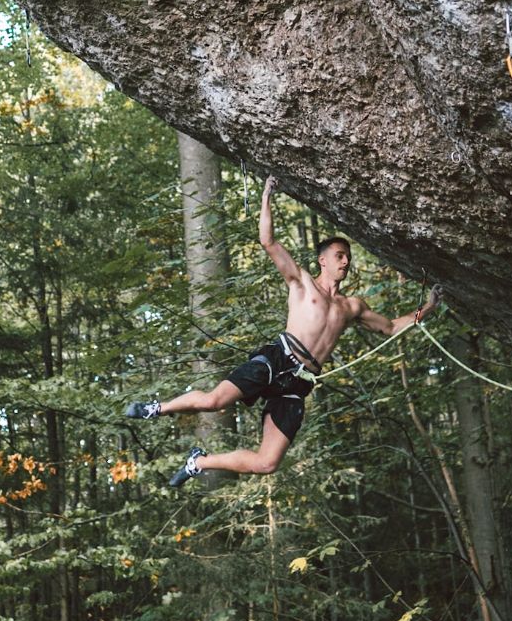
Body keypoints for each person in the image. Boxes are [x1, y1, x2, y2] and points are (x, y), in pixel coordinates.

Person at [126, 176, 442, 486]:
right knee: (215, 402)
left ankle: (199, 463)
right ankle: (155, 408)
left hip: (299, 383)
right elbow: (268, 241)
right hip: (277, 359)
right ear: (323, 260)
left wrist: (427, 308)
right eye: (339, 256)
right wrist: (266, 195)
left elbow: (389, 328)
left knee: (268, 463)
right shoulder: (302, 283)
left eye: (348, 257)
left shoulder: (352, 307)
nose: (346, 261)